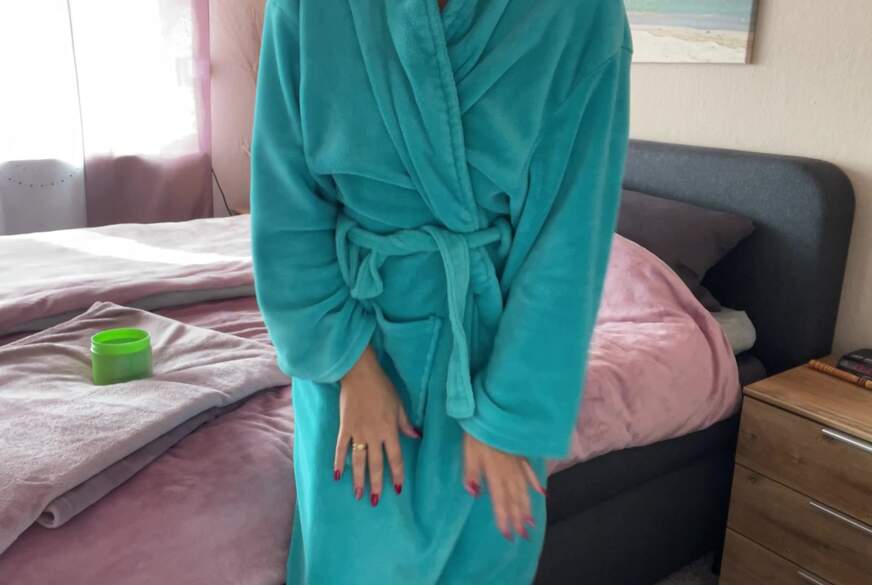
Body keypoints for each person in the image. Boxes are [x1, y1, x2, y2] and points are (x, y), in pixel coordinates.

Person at [250, 0, 633, 583]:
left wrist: (508, 417)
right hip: (352, 346)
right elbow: (285, 203)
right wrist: (350, 367)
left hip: (498, 362)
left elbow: (568, 241)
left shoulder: (582, 15)